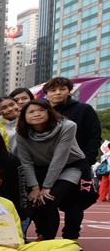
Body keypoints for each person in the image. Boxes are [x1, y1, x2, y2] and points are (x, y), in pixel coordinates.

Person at [15, 100, 86, 240]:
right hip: (41, 167)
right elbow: (26, 162)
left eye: (41, 110)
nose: (36, 114)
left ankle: (69, 238)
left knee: (50, 199)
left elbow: (59, 159)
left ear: (49, 111)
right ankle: (43, 236)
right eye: (31, 112)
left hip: (70, 166)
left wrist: (47, 187)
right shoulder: (21, 132)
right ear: (24, 117)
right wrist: (35, 187)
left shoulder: (67, 126)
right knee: (35, 200)